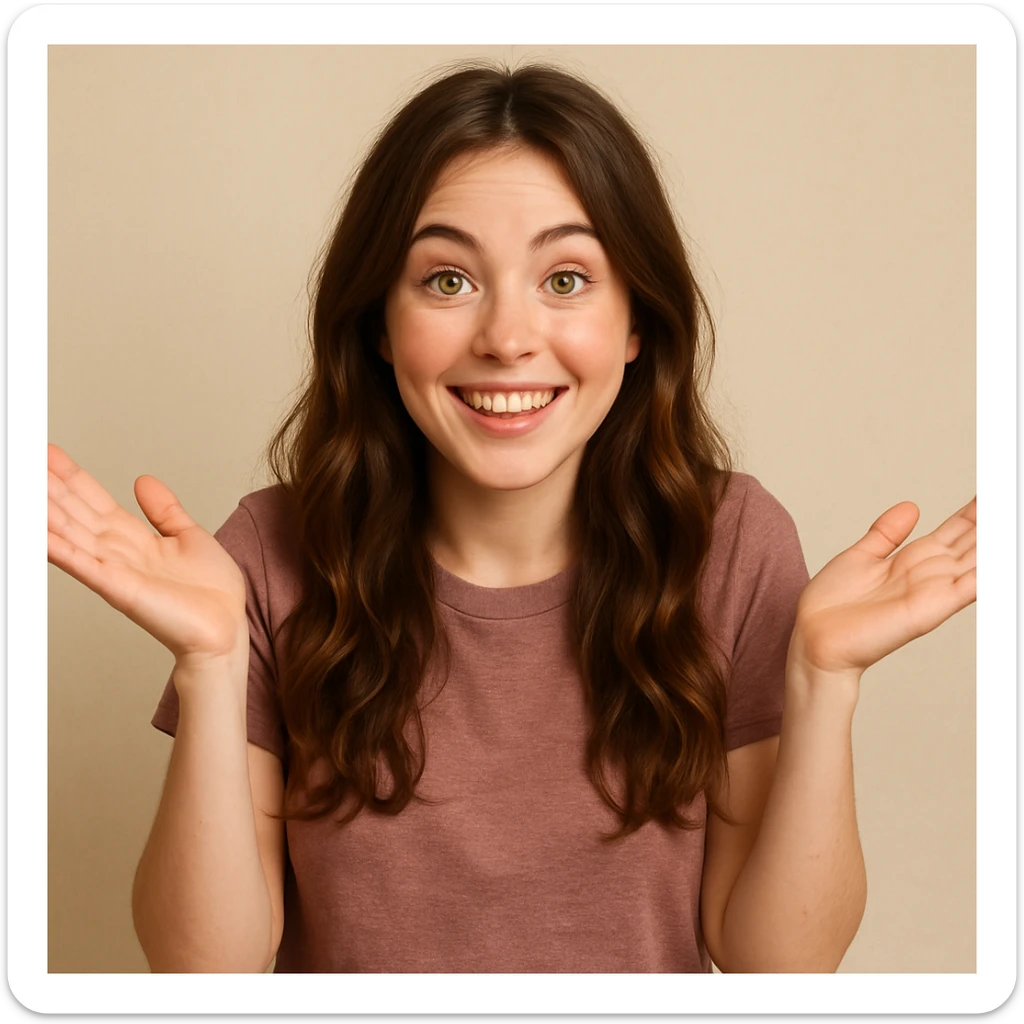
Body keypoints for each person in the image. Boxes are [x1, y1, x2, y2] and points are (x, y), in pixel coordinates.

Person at [45, 62, 977, 974]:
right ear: (378, 322)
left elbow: (783, 965)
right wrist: (210, 669)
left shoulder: (731, 545)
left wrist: (822, 681)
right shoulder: (266, 555)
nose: (506, 337)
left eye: (566, 279)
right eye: (448, 280)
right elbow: (200, 972)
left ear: (636, 323)